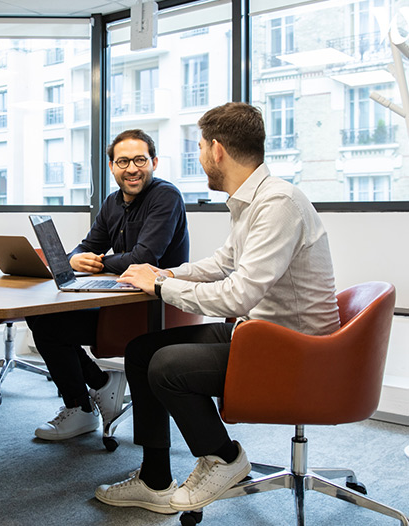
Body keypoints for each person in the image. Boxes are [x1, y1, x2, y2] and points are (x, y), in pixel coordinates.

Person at [94, 102, 339, 515]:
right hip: (260, 331)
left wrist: (159, 287)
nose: (200, 156)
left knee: (167, 366)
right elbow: (222, 264)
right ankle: (154, 478)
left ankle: (223, 457)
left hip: (295, 348)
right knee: (141, 350)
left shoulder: (277, 203)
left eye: (201, 147)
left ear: (217, 150)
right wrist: (165, 273)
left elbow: (237, 294)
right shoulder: (251, 200)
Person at [26, 129, 189, 441]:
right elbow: (85, 246)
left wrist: (99, 261)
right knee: (42, 316)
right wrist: (74, 261)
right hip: (119, 304)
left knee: (49, 324)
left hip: (156, 309)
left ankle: (86, 402)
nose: (132, 168)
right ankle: (96, 389)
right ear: (112, 166)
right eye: (123, 161)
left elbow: (144, 258)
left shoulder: (166, 197)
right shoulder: (111, 203)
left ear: (153, 162)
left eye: (140, 160)